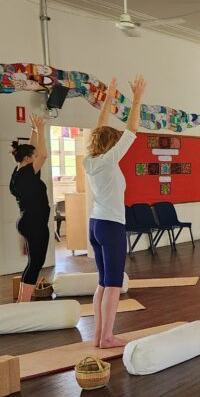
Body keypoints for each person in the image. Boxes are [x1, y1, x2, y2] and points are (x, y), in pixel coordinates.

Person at [85, 76, 143, 348]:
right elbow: (132, 129)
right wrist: (137, 97)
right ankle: (106, 336)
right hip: (111, 226)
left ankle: (98, 335)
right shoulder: (109, 160)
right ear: (111, 146)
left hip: (95, 224)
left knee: (103, 282)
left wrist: (108, 99)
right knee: (113, 283)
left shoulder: (90, 161)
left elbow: (100, 129)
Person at [9, 113, 50, 303]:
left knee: (34, 262)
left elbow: (35, 150)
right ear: (27, 159)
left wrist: (33, 130)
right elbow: (43, 154)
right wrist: (41, 130)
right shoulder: (27, 173)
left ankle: (21, 300)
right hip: (34, 222)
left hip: (28, 220)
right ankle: (23, 302)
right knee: (36, 262)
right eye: (33, 157)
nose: (37, 159)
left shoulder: (19, 172)